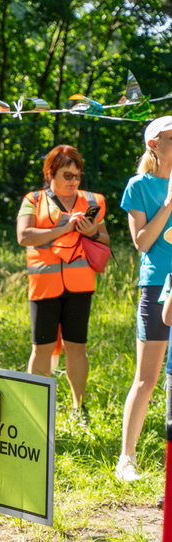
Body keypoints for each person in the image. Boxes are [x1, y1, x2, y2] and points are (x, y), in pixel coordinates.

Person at [16, 145, 109, 424]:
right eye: (67, 175)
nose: (73, 181)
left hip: (80, 286)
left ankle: (79, 409)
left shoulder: (94, 200)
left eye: (77, 176)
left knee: (76, 348)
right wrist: (62, 230)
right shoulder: (32, 199)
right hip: (44, 286)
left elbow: (106, 240)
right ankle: (36, 411)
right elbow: (24, 236)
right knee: (41, 349)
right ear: (50, 173)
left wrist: (93, 232)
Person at [116, 116, 172, 482]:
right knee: (147, 377)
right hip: (156, 286)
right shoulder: (139, 185)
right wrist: (168, 205)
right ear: (154, 143)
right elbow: (142, 243)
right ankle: (127, 459)